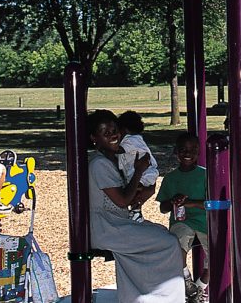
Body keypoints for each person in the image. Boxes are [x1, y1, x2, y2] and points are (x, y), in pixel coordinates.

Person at [86, 110, 185, 302]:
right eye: (105, 132)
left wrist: (146, 185)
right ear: (94, 138)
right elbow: (122, 201)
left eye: (114, 130)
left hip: (117, 223)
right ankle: (162, 297)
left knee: (162, 233)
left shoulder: (116, 160)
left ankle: (144, 296)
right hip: (107, 228)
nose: (112, 135)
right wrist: (139, 171)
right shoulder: (99, 164)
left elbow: (131, 199)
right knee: (169, 243)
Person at [156, 133, 210, 303]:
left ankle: (199, 288)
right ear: (176, 152)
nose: (188, 153)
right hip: (182, 222)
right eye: (183, 150)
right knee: (175, 246)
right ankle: (187, 281)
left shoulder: (206, 175)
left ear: (199, 151)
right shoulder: (170, 178)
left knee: (219, 253)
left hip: (205, 221)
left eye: (192, 150)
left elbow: (211, 203)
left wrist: (189, 203)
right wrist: (173, 202)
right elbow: (163, 208)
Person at [117, 110, 159, 222]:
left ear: (124, 129)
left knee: (136, 190)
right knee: (139, 193)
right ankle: (136, 211)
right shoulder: (137, 139)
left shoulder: (130, 140)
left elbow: (118, 150)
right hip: (144, 173)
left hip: (145, 172)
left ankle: (136, 209)